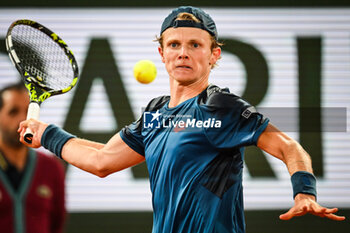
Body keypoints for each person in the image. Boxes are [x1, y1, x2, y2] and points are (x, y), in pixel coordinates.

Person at [18, 6, 345, 233]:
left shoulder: (221, 106)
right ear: (162, 53)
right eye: (174, 44)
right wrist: (47, 134)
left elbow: (289, 146)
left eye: (195, 45)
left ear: (214, 54)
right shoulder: (154, 114)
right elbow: (102, 160)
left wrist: (304, 190)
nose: (183, 53)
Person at [0, 82, 66, 233]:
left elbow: (57, 224)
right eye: (13, 112)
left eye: (27, 111)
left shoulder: (52, 168)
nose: (23, 119)